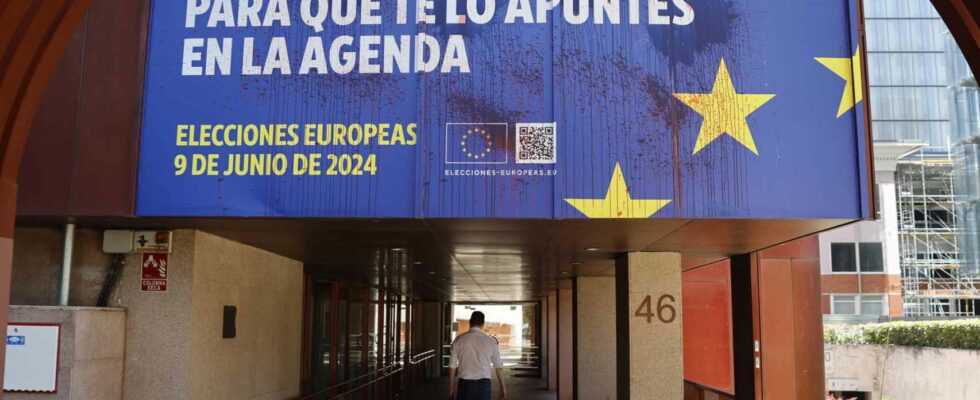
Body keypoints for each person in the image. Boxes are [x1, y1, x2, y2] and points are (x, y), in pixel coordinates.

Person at [448, 311, 508, 400]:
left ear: (470, 322)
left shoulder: (458, 340)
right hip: (483, 385)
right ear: (483, 324)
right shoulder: (491, 342)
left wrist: (451, 388)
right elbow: (498, 367)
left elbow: (452, 366)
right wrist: (503, 387)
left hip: (464, 385)